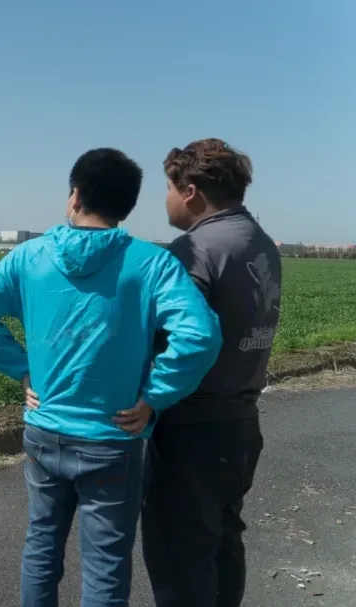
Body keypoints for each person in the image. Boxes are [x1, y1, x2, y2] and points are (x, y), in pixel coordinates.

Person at [0, 147, 222, 607]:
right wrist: (155, 396)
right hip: (113, 438)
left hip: (44, 429)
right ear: (127, 206)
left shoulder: (29, 256)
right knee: (105, 564)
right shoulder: (150, 262)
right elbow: (200, 336)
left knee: (41, 546)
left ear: (75, 196)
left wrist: (22, 369)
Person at [140, 138, 281, 607]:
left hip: (191, 428)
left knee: (181, 558)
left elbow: (177, 341)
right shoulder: (259, 241)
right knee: (222, 542)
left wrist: (149, 397)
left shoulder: (194, 250)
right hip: (241, 423)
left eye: (168, 187)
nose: (166, 199)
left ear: (190, 191)